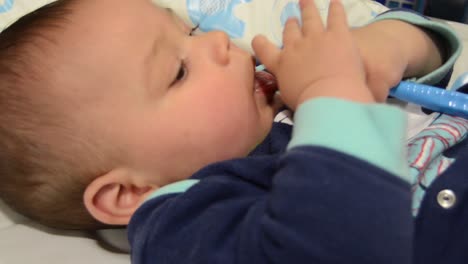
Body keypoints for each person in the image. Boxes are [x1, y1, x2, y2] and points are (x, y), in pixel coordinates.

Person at [0, 0, 465, 263]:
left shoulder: (280, 97)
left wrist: (383, 47)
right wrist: (333, 89)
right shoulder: (184, 224)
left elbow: (433, 58)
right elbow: (337, 247)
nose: (217, 42)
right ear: (128, 192)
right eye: (178, 71)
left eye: (193, 29)